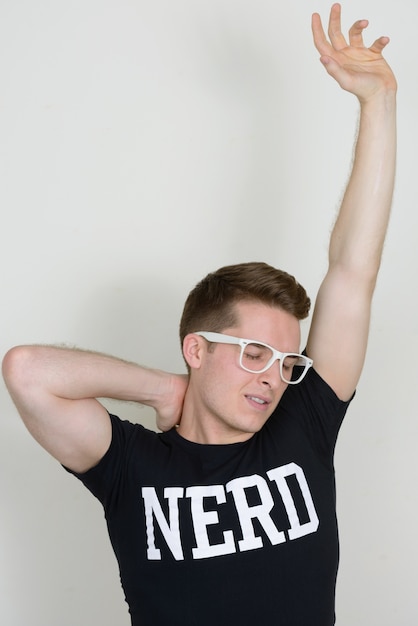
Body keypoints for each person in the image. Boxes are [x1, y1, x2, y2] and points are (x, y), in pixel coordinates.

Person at [2, 4, 397, 625]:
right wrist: (165, 389)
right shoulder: (133, 466)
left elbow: (353, 272)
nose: (272, 375)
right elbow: (27, 370)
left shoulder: (304, 428)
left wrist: (377, 104)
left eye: (286, 361)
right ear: (197, 347)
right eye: (254, 353)